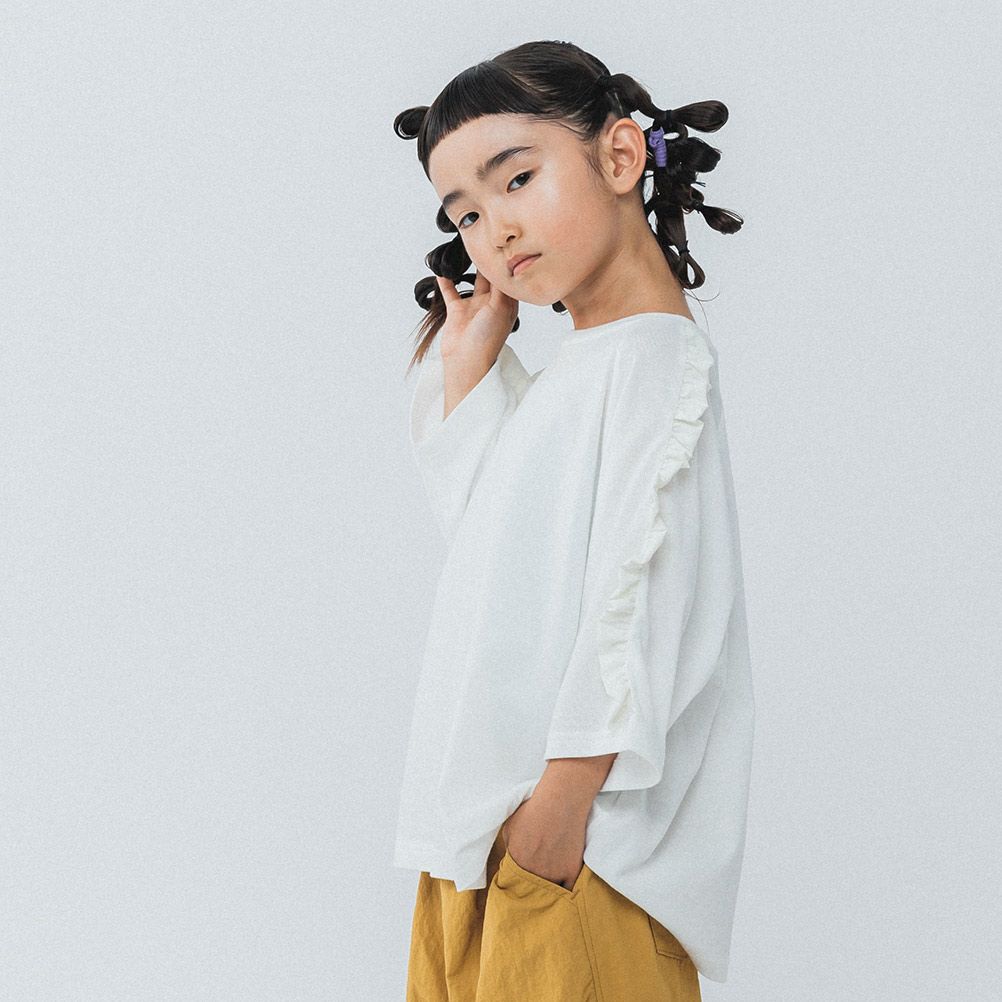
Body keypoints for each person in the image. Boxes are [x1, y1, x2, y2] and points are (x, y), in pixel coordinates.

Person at [391, 39, 755, 1001]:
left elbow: (641, 590)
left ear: (621, 156)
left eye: (517, 178)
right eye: (466, 214)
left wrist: (559, 807)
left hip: (576, 851)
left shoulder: (654, 364)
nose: (495, 229)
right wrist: (469, 368)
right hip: (483, 839)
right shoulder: (582, 373)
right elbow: (492, 560)